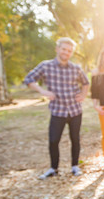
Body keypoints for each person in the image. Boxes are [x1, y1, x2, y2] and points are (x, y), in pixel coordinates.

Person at [24, 37, 89, 179]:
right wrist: (43, 91)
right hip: (58, 111)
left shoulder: (76, 68)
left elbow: (86, 82)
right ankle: (53, 168)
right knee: (53, 140)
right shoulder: (45, 66)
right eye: (64, 49)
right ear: (57, 49)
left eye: (69, 51)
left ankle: (75, 166)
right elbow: (29, 79)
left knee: (75, 139)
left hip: (75, 110)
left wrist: (83, 95)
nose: (66, 52)